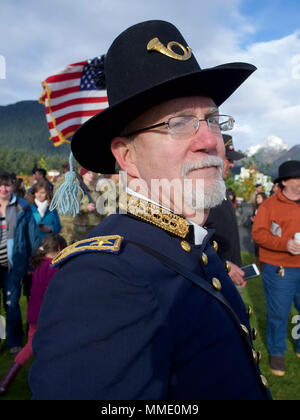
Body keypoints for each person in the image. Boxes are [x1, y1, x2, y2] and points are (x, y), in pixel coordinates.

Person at [29, 20, 271, 400]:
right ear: (127, 156)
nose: (210, 140)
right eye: (178, 124)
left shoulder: (190, 246)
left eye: (211, 119)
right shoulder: (101, 278)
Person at [0, 233, 67, 395]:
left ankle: (9, 380)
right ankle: (9, 381)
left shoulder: (39, 265)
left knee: (36, 347)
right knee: (40, 347)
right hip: (46, 317)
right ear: (59, 249)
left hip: (33, 314)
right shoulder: (54, 268)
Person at [252, 160, 300, 377]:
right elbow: (258, 234)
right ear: (283, 182)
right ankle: (277, 352)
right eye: (297, 179)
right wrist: (285, 244)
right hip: (280, 269)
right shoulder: (269, 205)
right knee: (279, 313)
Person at [0, 171, 39, 354]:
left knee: (12, 304)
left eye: (7, 185)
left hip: (14, 265)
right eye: (0, 185)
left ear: (13, 185)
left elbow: (32, 237)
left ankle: (14, 340)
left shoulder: (23, 207)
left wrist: (32, 264)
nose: (3, 189)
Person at [205, 134, 246, 288]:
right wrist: (223, 265)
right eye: (228, 159)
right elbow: (192, 239)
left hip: (231, 275)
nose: (232, 165)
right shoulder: (201, 193)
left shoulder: (221, 188)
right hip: (215, 277)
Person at [71, 168, 104, 243]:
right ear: (83, 175)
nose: (91, 175)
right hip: (82, 226)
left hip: (96, 224)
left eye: (92, 173)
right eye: (89, 173)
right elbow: (73, 206)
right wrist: (86, 208)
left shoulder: (96, 190)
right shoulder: (78, 190)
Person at [250, 192, 268, 268]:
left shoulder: (265, 208)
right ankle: (255, 265)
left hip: (263, 232)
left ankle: (262, 266)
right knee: (256, 248)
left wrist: (256, 221)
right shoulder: (256, 207)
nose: (257, 199)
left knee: (261, 249)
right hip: (255, 230)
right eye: (257, 197)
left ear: (264, 198)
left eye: (259, 197)